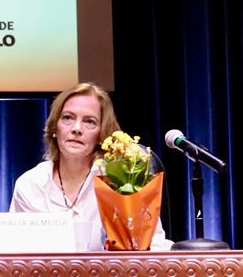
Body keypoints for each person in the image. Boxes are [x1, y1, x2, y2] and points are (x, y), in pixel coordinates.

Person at [10, 82, 172, 251]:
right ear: (54, 128)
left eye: (89, 121)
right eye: (68, 118)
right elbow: (16, 253)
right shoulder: (30, 185)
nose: (77, 128)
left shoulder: (123, 181)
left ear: (101, 134)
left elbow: (155, 245)